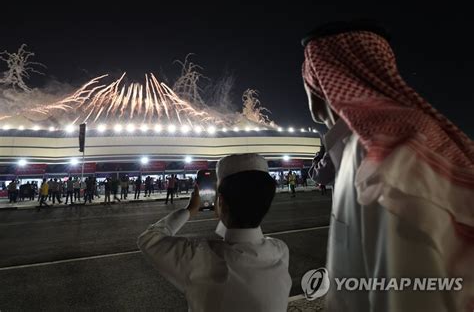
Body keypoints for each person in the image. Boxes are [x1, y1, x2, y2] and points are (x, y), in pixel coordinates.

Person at [302, 21, 474, 311]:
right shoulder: (354, 146)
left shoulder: (380, 148)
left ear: (318, 81)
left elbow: (406, 290)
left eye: (307, 77)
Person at [138, 153, 291, 311]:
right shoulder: (280, 252)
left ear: (222, 202)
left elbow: (148, 238)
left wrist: (190, 210)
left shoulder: (201, 259)